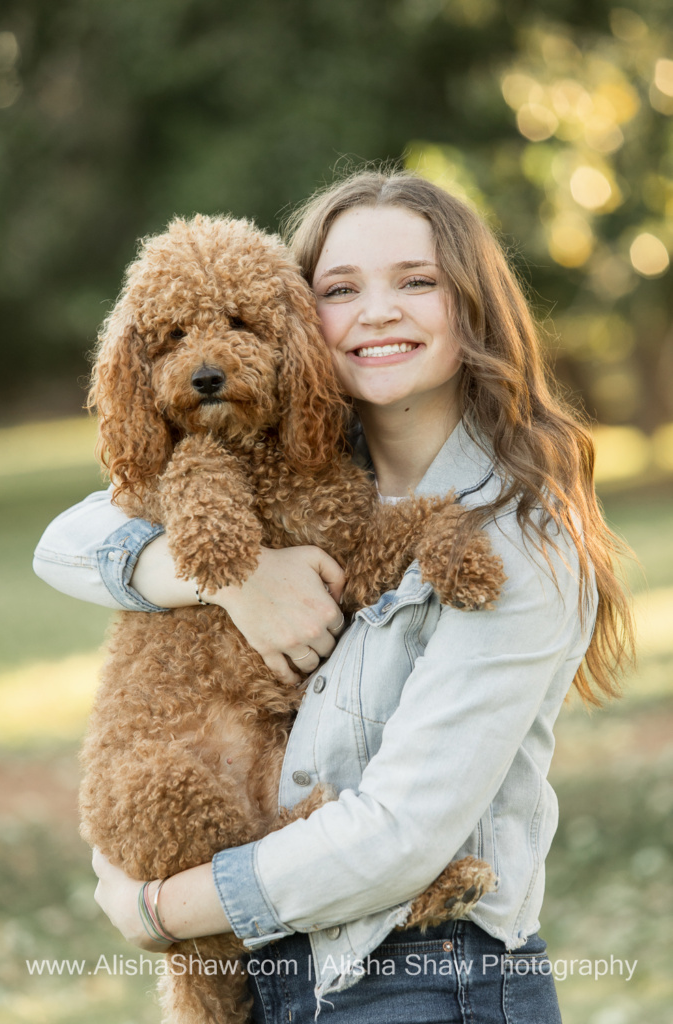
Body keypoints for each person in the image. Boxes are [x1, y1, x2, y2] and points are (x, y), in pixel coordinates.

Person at [34, 169, 633, 1023]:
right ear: (304, 315)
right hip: (286, 976)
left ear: (470, 307)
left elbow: (398, 837)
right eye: (341, 289)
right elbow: (63, 541)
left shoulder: (518, 538)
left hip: (427, 981)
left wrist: (157, 910)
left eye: (415, 282)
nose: (377, 311)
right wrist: (232, 579)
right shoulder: (289, 462)